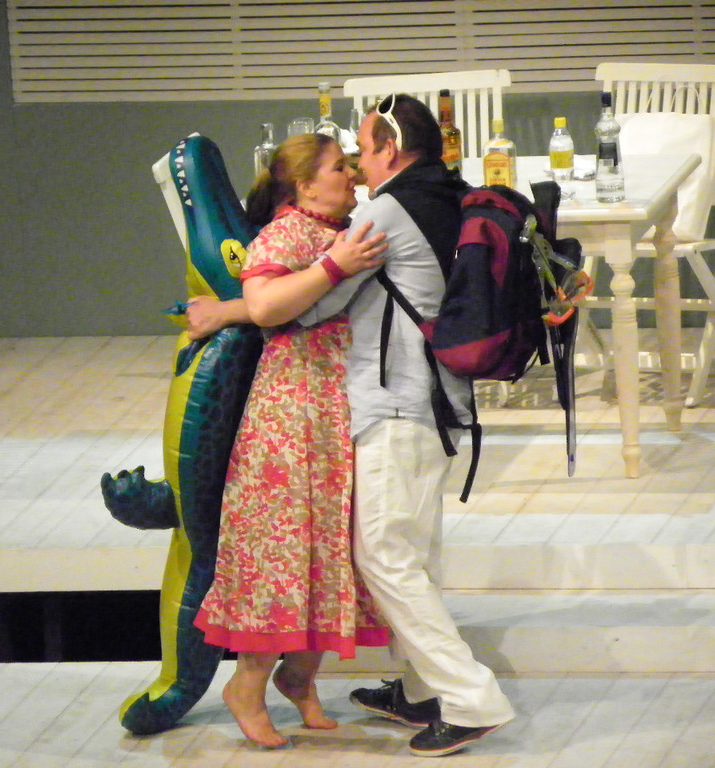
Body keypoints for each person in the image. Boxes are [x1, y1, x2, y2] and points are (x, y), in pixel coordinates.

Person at [298, 95, 515, 758]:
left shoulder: (387, 211)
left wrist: (240, 301)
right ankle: (421, 691)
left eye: (363, 149)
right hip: (438, 401)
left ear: (390, 149)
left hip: (398, 404)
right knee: (414, 554)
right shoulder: (450, 195)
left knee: (385, 554)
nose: (358, 164)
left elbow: (314, 306)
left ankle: (471, 700)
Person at [192, 132, 390, 748]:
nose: (351, 175)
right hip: (292, 414)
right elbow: (265, 305)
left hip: (337, 406)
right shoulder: (285, 234)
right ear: (305, 185)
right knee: (282, 549)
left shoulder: (346, 229)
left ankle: (299, 677)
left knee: (332, 544)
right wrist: (332, 266)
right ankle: (246, 686)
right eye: (338, 168)